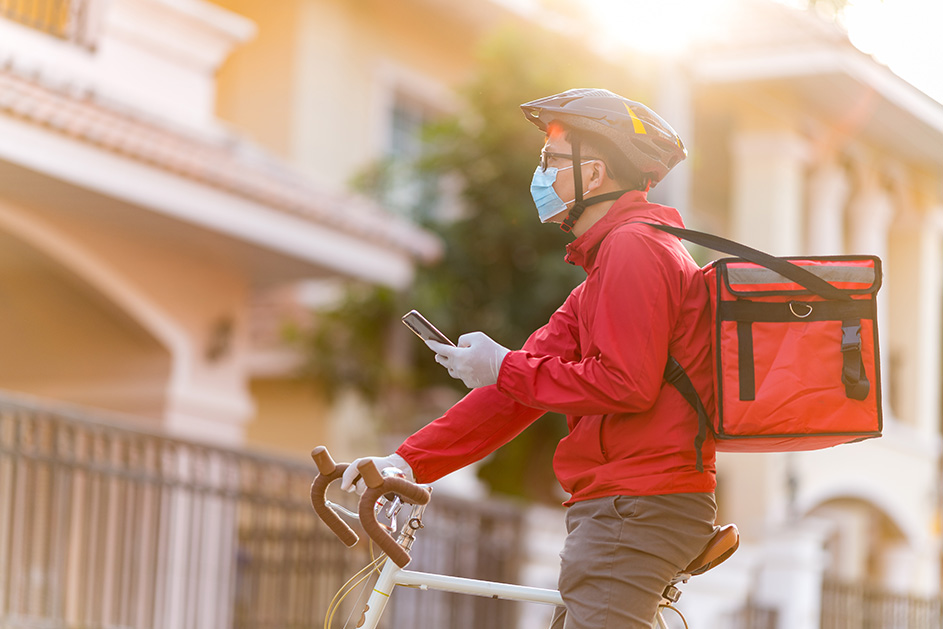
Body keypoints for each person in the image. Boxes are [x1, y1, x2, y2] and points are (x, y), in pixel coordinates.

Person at [341, 88, 717, 629]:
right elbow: (516, 394)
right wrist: (407, 461)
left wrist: (504, 366)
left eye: (552, 161)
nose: (542, 174)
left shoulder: (633, 249)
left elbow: (625, 383)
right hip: (623, 507)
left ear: (595, 174)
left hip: (635, 507)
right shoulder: (599, 279)